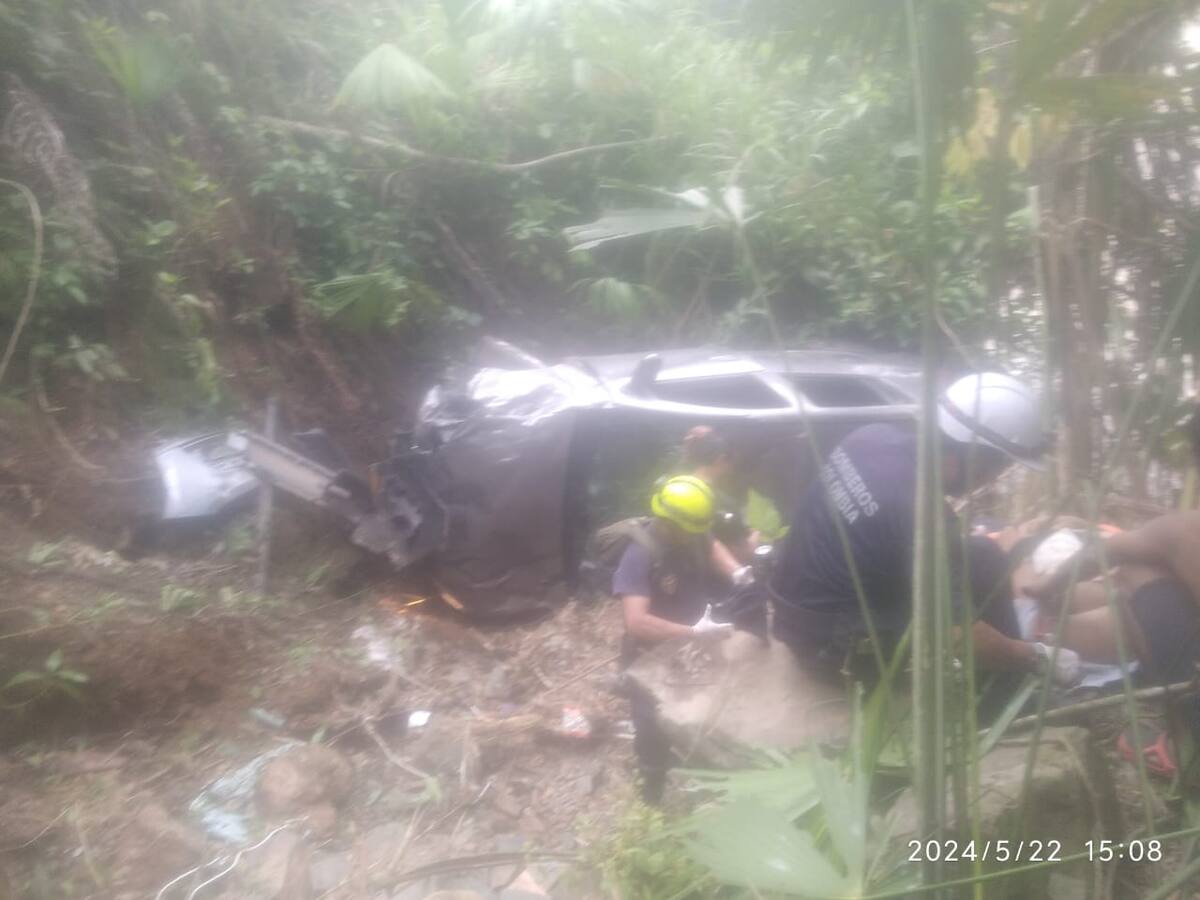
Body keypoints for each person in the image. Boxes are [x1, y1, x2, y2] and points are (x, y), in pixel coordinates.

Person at [770, 371, 1081, 693]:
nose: (994, 479)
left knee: (983, 556)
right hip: (831, 647)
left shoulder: (873, 436)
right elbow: (959, 637)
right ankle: (1001, 700)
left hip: (794, 609)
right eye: (999, 468)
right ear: (975, 457)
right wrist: (1035, 657)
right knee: (965, 633)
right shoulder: (923, 511)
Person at [612, 474, 739, 804]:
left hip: (691, 650)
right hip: (651, 658)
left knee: (701, 714)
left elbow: (710, 543)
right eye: (690, 530)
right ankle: (650, 800)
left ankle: (701, 775)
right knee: (652, 733)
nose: (697, 535)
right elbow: (636, 622)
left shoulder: (690, 532)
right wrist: (692, 632)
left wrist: (739, 573)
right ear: (670, 523)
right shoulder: (639, 556)